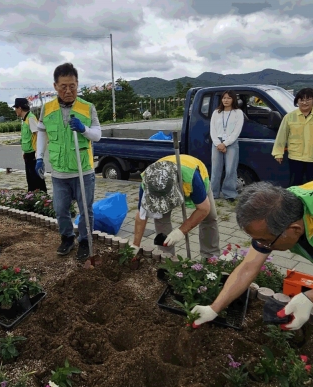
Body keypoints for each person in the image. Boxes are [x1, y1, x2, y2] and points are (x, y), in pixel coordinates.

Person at [192, 181, 313, 330]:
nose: (261, 246)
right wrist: (213, 308)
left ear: (294, 229)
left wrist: (309, 297)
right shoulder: (282, 206)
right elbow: (248, 267)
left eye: (265, 241)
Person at [35, 62, 101, 261]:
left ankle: (85, 241)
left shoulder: (87, 108)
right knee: (61, 209)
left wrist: (83, 129)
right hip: (59, 172)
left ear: (77, 84)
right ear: (55, 86)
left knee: (85, 210)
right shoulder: (47, 109)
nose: (68, 90)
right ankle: (67, 238)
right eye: (63, 86)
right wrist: (39, 157)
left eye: (72, 85)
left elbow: (97, 135)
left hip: (83, 171)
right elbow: (41, 132)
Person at [132, 155, 220, 259]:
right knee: (160, 219)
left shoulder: (193, 178)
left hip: (192, 173)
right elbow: (142, 215)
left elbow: (204, 209)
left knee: (210, 218)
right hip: (164, 182)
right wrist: (135, 246)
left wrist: (181, 231)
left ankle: (210, 257)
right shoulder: (147, 182)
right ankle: (166, 257)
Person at [272, 87, 313, 187]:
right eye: (301, 100)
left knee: (311, 185)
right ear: (297, 101)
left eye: (308, 99)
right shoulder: (289, 116)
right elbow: (282, 135)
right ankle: (295, 202)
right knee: (295, 183)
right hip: (296, 156)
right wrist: (278, 152)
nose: (304, 102)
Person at [209, 90, 244, 202]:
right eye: (224, 98)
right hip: (217, 142)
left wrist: (225, 144)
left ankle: (229, 194)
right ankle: (213, 193)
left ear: (233, 99)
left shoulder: (238, 112)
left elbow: (237, 131)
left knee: (230, 169)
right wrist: (218, 143)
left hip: (231, 143)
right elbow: (212, 130)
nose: (226, 100)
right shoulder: (216, 112)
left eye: (229, 98)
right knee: (215, 169)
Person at [14, 97, 47, 192]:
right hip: (28, 154)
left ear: (20, 108)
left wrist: (38, 153)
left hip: (34, 154)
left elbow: (38, 135)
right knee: (30, 180)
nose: (15, 110)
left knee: (37, 179)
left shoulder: (31, 118)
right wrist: (24, 151)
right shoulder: (24, 120)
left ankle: (42, 198)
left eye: (16, 108)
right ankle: (32, 199)